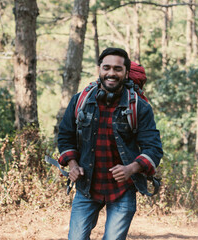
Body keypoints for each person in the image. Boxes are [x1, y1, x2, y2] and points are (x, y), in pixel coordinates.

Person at [57, 47, 163, 239]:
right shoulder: (80, 101)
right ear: (99, 69)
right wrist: (72, 165)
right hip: (86, 187)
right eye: (107, 68)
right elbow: (65, 137)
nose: (111, 73)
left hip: (122, 190)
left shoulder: (139, 107)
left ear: (126, 72)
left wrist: (131, 169)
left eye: (117, 68)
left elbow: (153, 148)